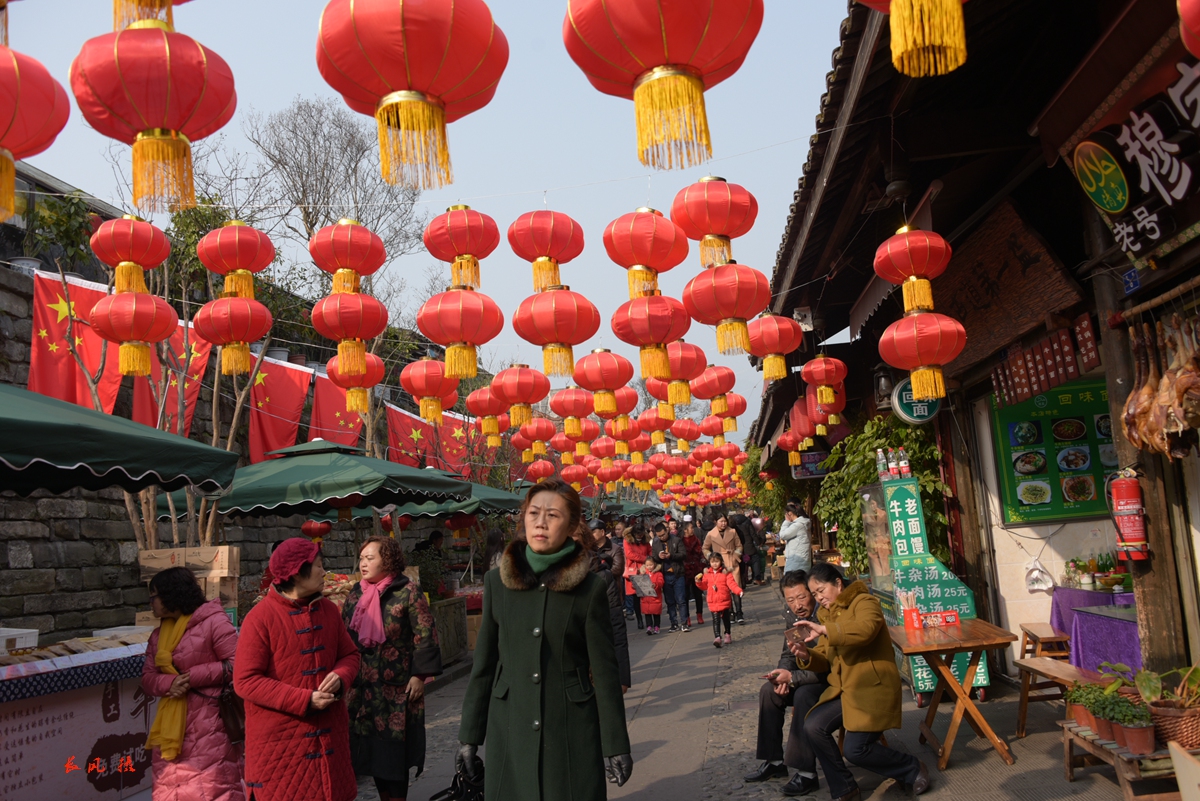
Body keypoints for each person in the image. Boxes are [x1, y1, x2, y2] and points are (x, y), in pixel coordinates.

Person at [457, 477, 633, 799]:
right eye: (533, 513)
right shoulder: (498, 583)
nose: (540, 523)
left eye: (552, 515)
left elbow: (605, 673)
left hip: (570, 728)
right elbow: (484, 664)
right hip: (509, 726)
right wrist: (469, 736)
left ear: (571, 526)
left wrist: (615, 743)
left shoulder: (590, 589)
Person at [234, 538, 361, 801]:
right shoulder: (259, 619)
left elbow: (350, 654)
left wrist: (340, 676)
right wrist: (304, 700)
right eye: (318, 565)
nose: (324, 572)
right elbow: (246, 681)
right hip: (281, 749)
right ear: (296, 572)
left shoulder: (328, 610)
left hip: (330, 740)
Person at [792, 563, 931, 801]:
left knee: (855, 750)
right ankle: (844, 788)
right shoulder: (827, 614)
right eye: (814, 594)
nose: (819, 598)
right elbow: (825, 657)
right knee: (813, 726)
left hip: (872, 687)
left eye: (821, 590)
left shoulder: (864, 602)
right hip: (845, 690)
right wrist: (806, 655)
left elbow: (865, 629)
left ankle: (912, 767)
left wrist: (826, 629)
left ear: (838, 583)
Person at [342, 536, 443, 801]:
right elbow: (344, 636)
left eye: (370, 558)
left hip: (396, 689)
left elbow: (425, 633)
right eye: (361, 558)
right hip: (363, 690)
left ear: (387, 560)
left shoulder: (407, 590)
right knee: (371, 752)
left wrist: (420, 676)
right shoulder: (356, 593)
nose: (363, 564)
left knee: (394, 756)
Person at [142, 566, 243, 801]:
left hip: (211, 725)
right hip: (171, 732)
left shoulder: (213, 621)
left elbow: (238, 664)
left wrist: (194, 675)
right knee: (172, 788)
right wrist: (169, 683)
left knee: (213, 788)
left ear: (171, 594)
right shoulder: (158, 636)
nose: (151, 602)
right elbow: (147, 678)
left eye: (154, 595)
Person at [744, 571, 827, 796]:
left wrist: (793, 679)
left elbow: (829, 666)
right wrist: (782, 674)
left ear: (812, 592)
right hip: (804, 675)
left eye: (801, 597)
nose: (797, 605)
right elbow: (788, 654)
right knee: (769, 691)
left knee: (803, 696)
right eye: (790, 600)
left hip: (828, 679)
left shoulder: (825, 615)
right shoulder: (792, 615)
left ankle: (807, 773)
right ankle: (774, 762)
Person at [590, 519, 632, 691]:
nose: (592, 535)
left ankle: (620, 679)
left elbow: (618, 569)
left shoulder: (615, 549)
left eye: (594, 531)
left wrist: (604, 568)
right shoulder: (588, 549)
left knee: (617, 639)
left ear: (601, 531)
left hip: (612, 595)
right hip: (594, 597)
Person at [703, 515, 745, 624]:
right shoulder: (711, 534)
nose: (723, 523)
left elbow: (739, 546)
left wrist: (736, 556)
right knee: (724, 590)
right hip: (720, 565)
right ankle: (730, 612)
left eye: (725, 521)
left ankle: (739, 612)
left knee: (736, 588)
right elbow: (705, 548)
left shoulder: (733, 531)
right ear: (715, 521)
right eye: (721, 521)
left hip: (732, 563)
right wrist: (711, 558)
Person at [696, 551, 743, 648]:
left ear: (721, 562)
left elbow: (732, 584)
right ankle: (717, 637)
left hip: (724, 600)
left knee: (726, 619)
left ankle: (727, 634)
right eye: (712, 562)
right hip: (713, 601)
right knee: (715, 620)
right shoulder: (707, 574)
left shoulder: (725, 573)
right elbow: (704, 585)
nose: (715, 564)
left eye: (716, 561)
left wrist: (738, 591)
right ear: (709, 563)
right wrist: (698, 582)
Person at [650, 521, 689, 632]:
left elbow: (683, 555)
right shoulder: (656, 543)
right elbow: (653, 558)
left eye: (663, 534)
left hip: (677, 573)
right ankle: (674, 623)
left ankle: (684, 622)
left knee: (681, 600)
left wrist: (671, 555)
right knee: (670, 601)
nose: (662, 537)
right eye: (659, 536)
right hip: (665, 575)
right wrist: (659, 556)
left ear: (667, 531)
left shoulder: (676, 540)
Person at [622, 522, 652, 629]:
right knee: (636, 598)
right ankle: (639, 619)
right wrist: (645, 558)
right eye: (638, 535)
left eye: (641, 534)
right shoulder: (627, 540)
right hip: (634, 571)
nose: (640, 536)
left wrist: (650, 560)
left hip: (645, 570)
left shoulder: (646, 541)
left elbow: (650, 551)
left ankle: (649, 620)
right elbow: (629, 554)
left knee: (647, 596)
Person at [681, 519, 706, 627]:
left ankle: (699, 614)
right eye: (691, 528)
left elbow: (700, 553)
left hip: (696, 568)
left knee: (698, 594)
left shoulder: (696, 540)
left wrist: (702, 563)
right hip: (685, 569)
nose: (693, 529)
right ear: (685, 530)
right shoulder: (680, 541)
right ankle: (687, 617)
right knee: (685, 595)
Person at [779, 500, 813, 575]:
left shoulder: (798, 525)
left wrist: (786, 522)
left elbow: (783, 535)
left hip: (796, 561)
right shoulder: (803, 523)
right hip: (801, 560)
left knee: (792, 583)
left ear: (790, 513)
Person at [639, 557, 665, 634]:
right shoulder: (643, 574)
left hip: (655, 597)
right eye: (647, 565)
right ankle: (649, 626)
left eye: (651, 565)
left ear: (654, 564)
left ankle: (657, 626)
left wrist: (655, 585)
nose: (649, 567)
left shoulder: (658, 574)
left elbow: (661, 582)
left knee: (656, 613)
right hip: (645, 597)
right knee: (647, 613)